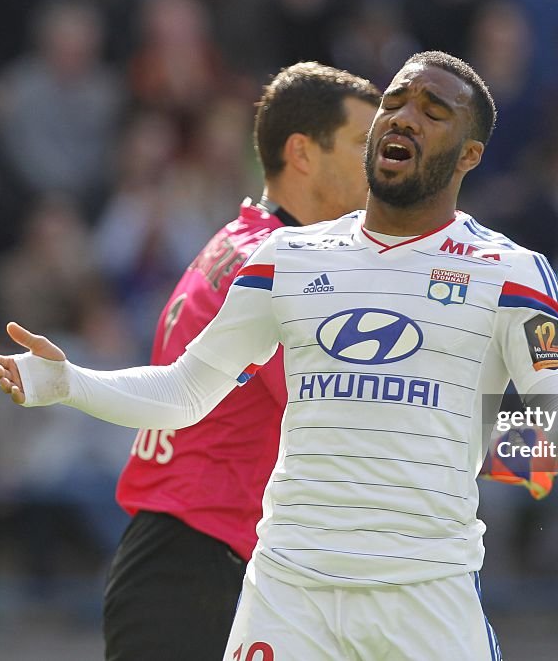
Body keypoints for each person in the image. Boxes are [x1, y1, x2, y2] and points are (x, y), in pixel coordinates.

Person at [0, 51, 558, 659]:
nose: (405, 116)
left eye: (433, 111)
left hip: (423, 597)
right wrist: (67, 381)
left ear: (469, 154)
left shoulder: (512, 272)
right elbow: (187, 391)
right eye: (396, 101)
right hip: (287, 595)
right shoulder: (284, 258)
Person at [102, 62, 379, 660]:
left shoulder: (242, 240)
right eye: (363, 143)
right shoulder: (283, 268)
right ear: (301, 153)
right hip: (195, 575)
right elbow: (369, 418)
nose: (381, 162)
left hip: (200, 562)